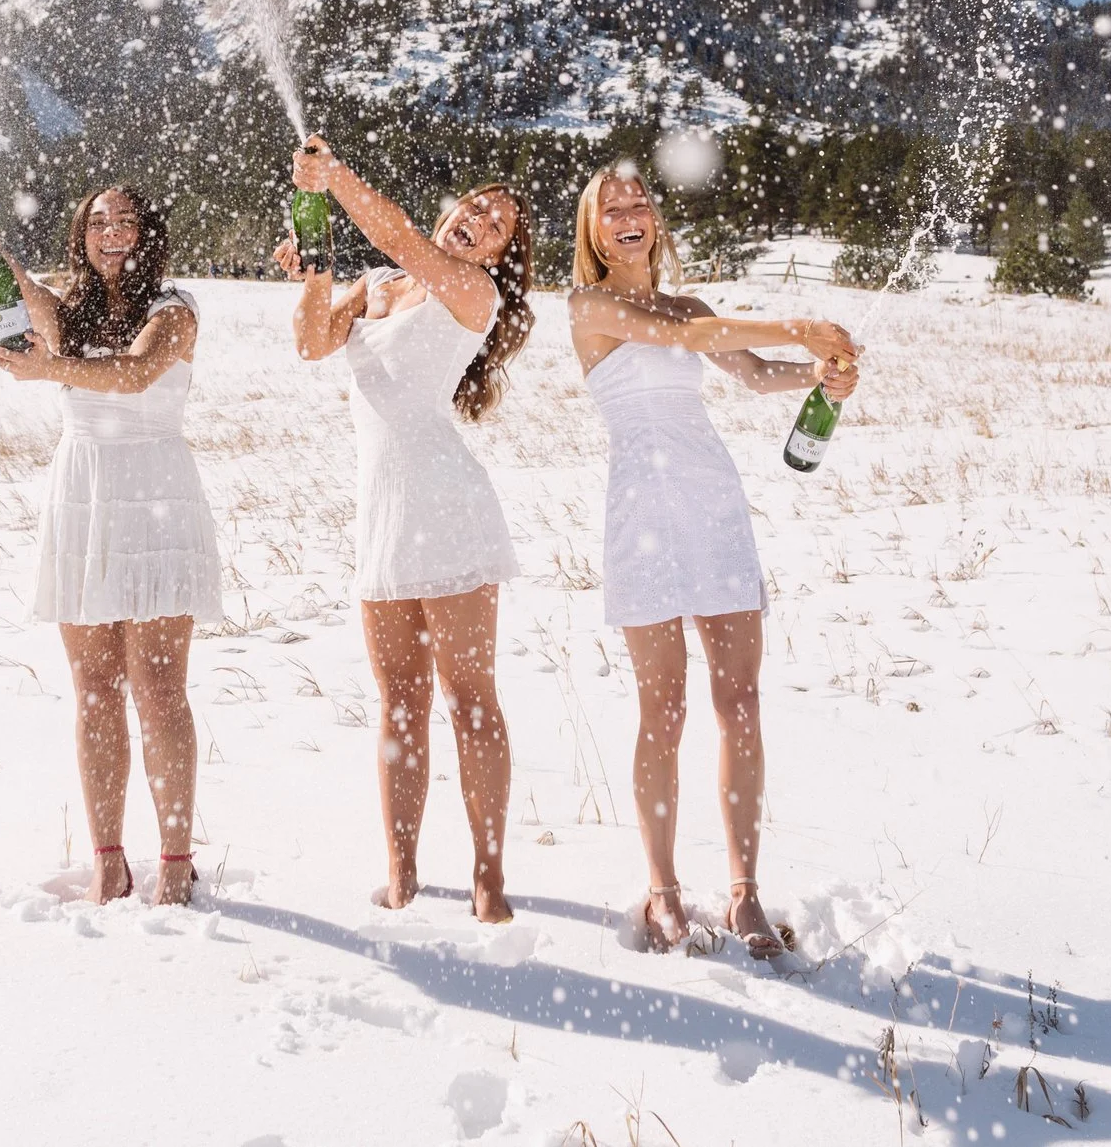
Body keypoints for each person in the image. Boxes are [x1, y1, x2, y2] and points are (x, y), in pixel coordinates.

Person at [565, 163, 860, 959]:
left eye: (640, 201)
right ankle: (663, 889)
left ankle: (743, 890)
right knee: (663, 709)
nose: (629, 214)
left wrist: (821, 375)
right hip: (641, 514)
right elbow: (693, 342)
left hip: (713, 506)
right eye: (611, 207)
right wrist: (799, 323)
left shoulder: (690, 304)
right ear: (592, 229)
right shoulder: (589, 305)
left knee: (741, 703)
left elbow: (755, 376)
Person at [272, 138, 533, 924]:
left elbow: (397, 235)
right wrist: (316, 273)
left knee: (471, 700)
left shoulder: (472, 291)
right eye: (476, 205)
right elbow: (312, 342)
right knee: (399, 705)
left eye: (495, 224)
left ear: (496, 255)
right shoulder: (380, 286)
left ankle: (489, 876)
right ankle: (402, 871)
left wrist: (334, 177)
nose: (478, 219)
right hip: (382, 518)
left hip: (450, 511)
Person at [0, 186, 221, 907]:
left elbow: (134, 375)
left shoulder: (175, 307)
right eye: (98, 221)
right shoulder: (67, 309)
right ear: (82, 235)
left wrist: (50, 369)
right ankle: (108, 858)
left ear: (147, 233)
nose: (112, 232)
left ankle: (175, 860)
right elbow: (19, 291)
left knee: (159, 690)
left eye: (126, 220)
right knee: (96, 690)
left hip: (156, 495)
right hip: (83, 497)